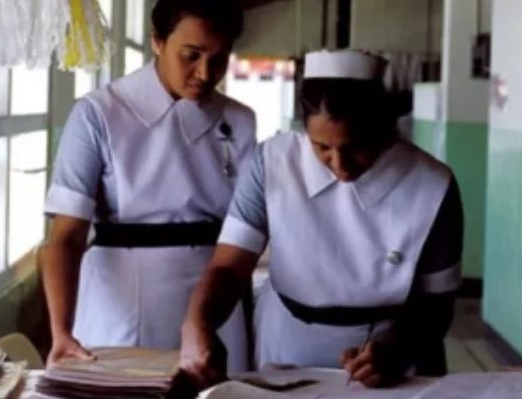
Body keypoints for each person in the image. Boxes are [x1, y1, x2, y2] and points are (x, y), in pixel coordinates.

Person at [178, 49, 464, 388]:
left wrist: (397, 350)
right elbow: (229, 267)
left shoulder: (431, 185)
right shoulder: (272, 162)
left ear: (382, 127)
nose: (340, 166)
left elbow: (437, 306)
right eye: (322, 148)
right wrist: (197, 324)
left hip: (391, 358)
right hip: (287, 343)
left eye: (356, 147)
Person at [41, 0, 256, 373]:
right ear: (157, 40)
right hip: (124, 298)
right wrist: (61, 331)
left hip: (214, 298)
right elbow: (65, 239)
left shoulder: (240, 121)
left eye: (219, 58)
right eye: (191, 55)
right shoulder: (100, 114)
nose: (205, 73)